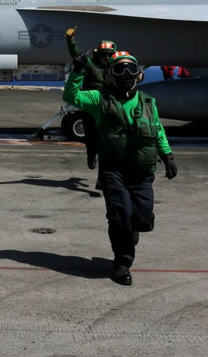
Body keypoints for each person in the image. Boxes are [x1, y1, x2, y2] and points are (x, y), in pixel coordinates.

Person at [62, 50, 177, 286]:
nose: (125, 74)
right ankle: (122, 263)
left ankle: (132, 229)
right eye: (119, 70)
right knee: (119, 216)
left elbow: (158, 130)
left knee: (143, 220)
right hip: (112, 170)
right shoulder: (98, 99)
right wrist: (77, 71)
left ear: (139, 75)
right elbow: (71, 95)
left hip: (142, 172)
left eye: (131, 69)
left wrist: (167, 155)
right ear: (110, 75)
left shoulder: (148, 102)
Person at [64, 27, 117, 170]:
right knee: (91, 138)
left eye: (109, 54)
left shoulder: (116, 67)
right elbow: (77, 57)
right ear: (98, 54)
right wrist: (71, 42)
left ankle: (103, 175)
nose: (106, 57)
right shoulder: (90, 65)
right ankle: (91, 153)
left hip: (108, 107)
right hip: (90, 105)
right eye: (104, 54)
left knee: (107, 141)